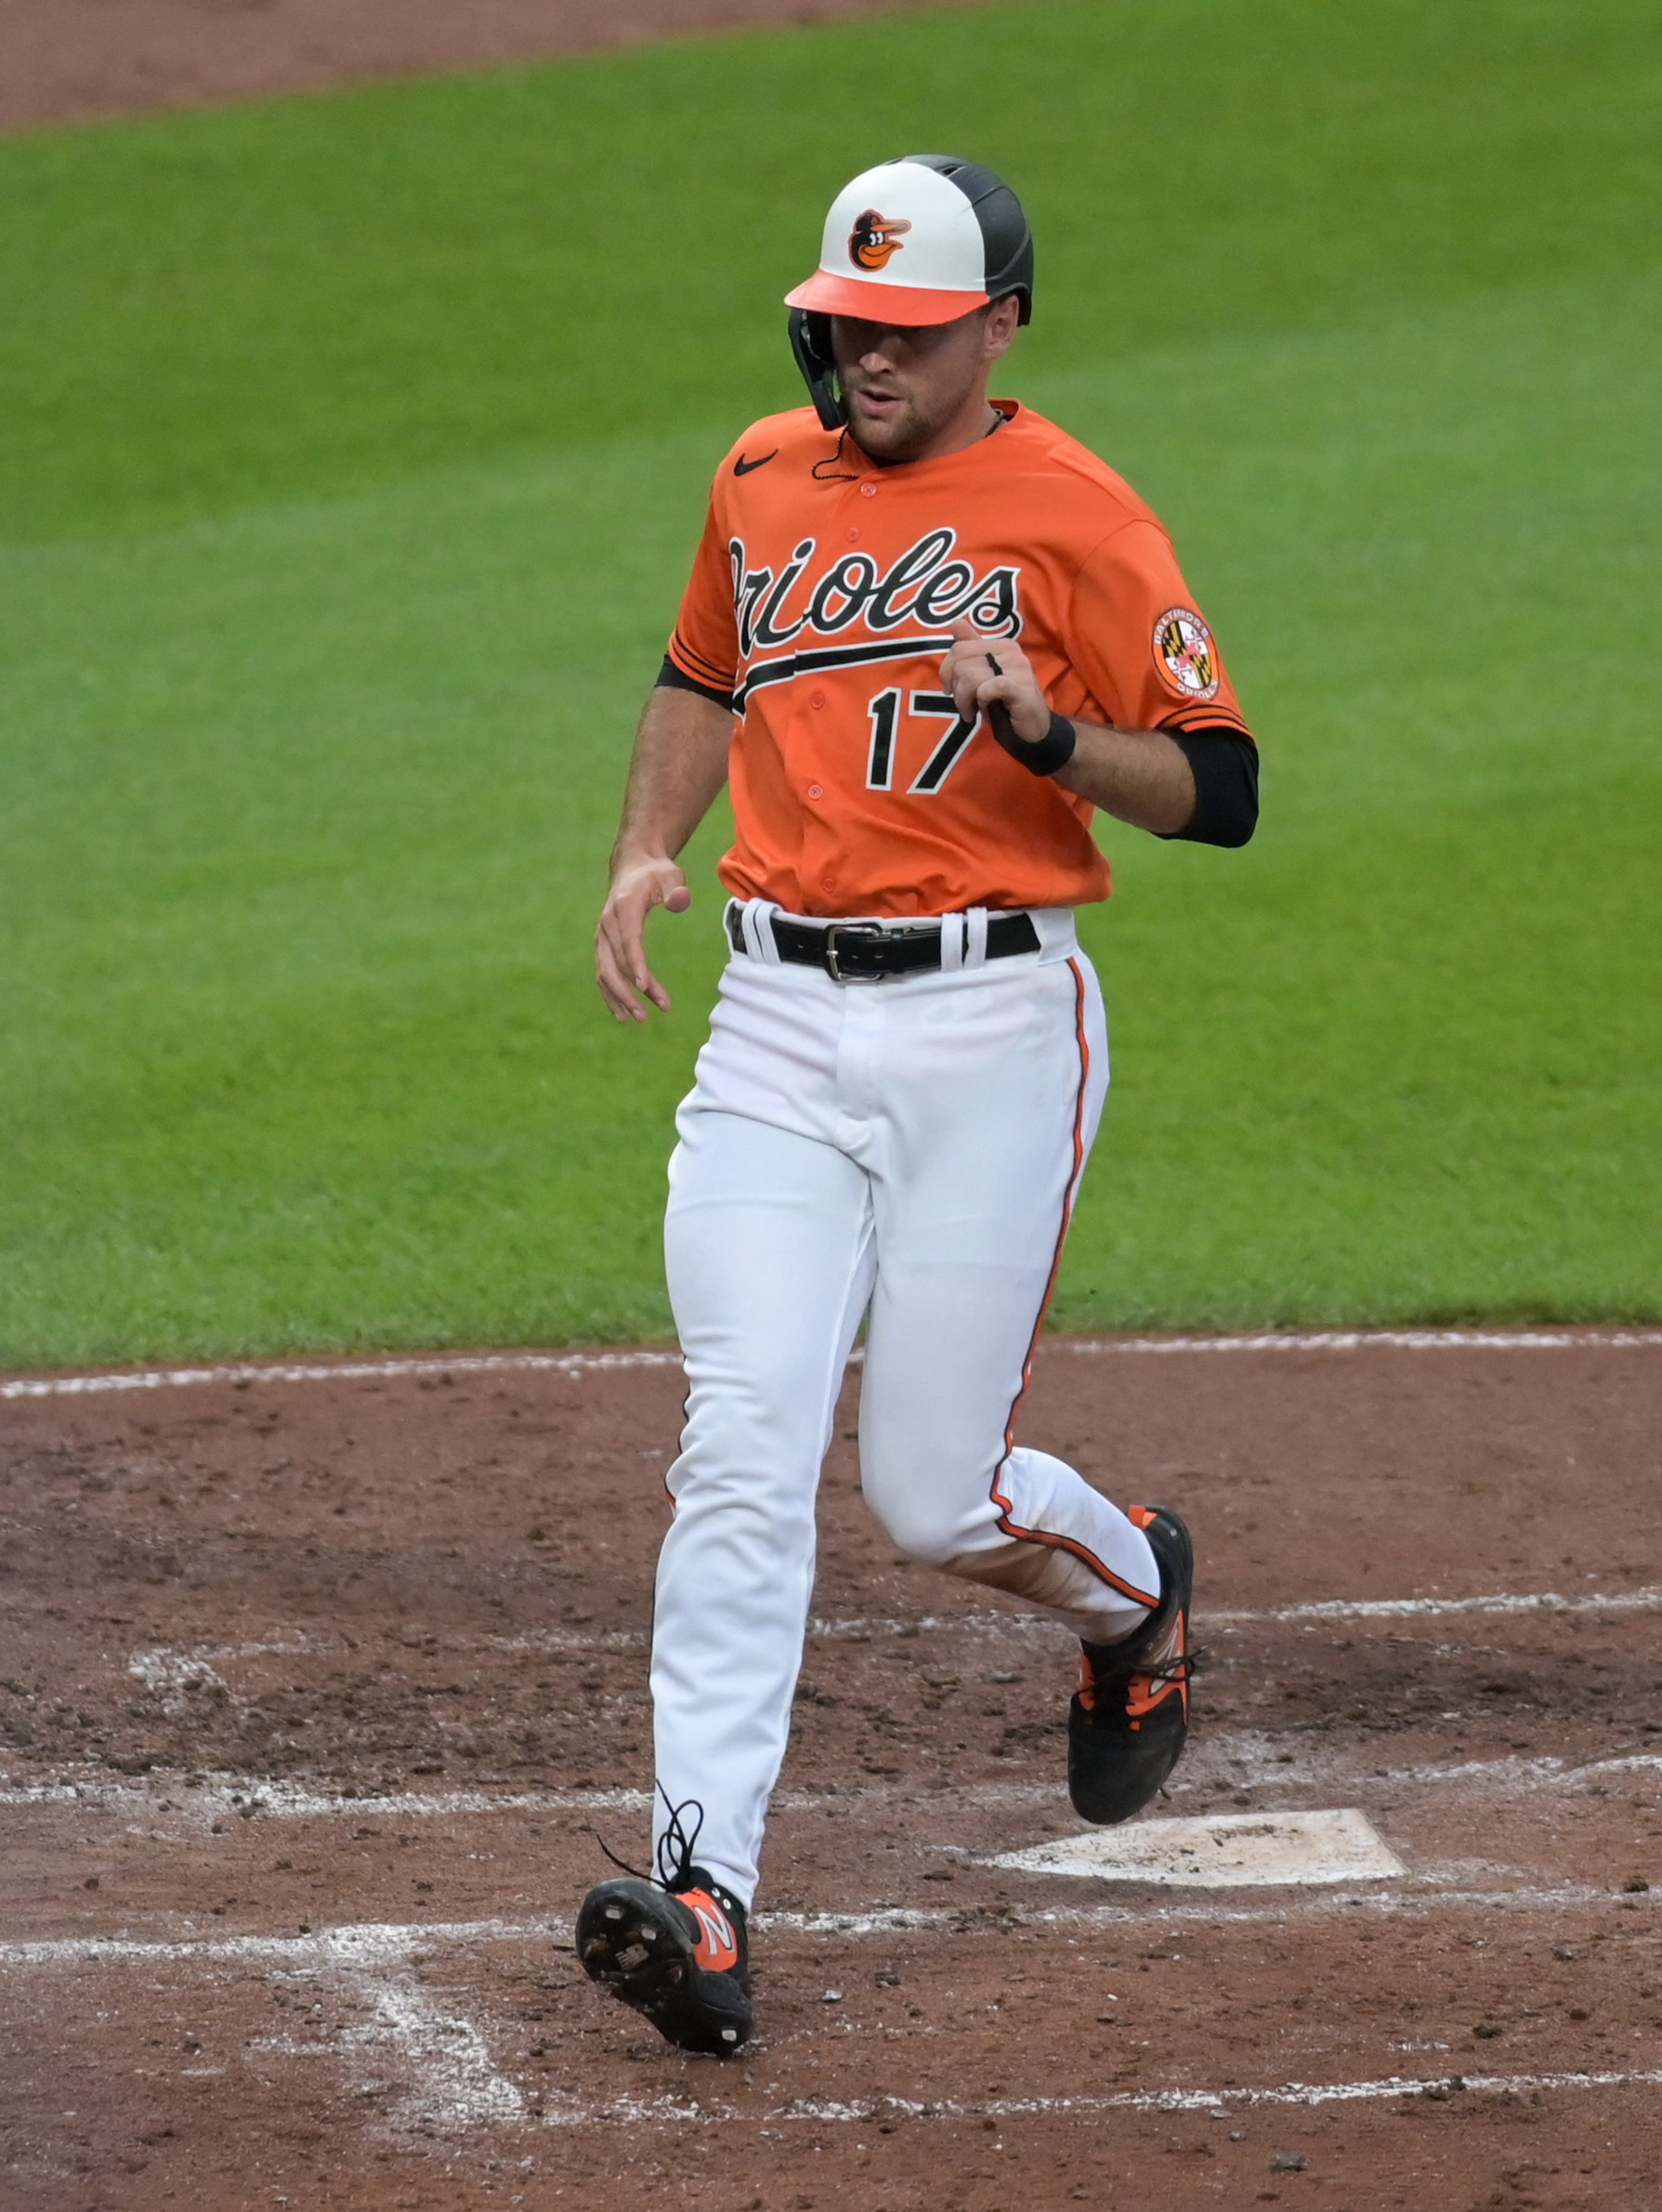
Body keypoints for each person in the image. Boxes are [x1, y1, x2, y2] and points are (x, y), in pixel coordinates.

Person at [571, 152, 1259, 2056]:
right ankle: (704, 1892)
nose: (859, 354)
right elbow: (701, 668)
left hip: (990, 1035)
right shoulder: (757, 473)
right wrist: (645, 848)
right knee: (739, 1447)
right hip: (772, 1036)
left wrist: (1041, 731)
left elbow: (1223, 786)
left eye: (904, 332)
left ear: (999, 328)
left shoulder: (1076, 511)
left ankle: (1130, 1594)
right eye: (845, 322)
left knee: (929, 1497)